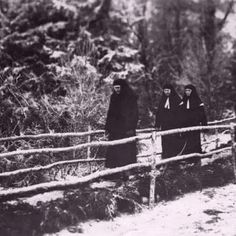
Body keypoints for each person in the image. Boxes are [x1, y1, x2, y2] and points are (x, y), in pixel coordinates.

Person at [105, 78, 138, 168]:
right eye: (115, 88)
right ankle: (114, 172)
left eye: (118, 87)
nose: (117, 90)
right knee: (115, 149)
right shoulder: (114, 97)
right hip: (115, 130)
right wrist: (108, 127)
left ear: (123, 87)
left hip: (127, 129)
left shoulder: (130, 97)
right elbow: (110, 112)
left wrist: (131, 127)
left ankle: (127, 171)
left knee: (126, 151)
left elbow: (134, 114)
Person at [155, 84, 182, 159]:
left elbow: (180, 113)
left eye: (168, 90)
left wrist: (180, 123)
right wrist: (157, 124)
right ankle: (166, 158)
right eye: (165, 90)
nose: (166, 92)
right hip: (165, 125)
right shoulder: (162, 100)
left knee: (174, 141)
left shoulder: (177, 99)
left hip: (174, 125)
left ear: (171, 90)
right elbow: (159, 113)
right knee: (165, 142)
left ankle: (175, 158)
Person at [179, 84, 207, 157]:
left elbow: (202, 114)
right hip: (185, 125)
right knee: (186, 141)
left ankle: (196, 156)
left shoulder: (198, 101)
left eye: (189, 90)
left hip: (194, 124)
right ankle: (187, 156)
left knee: (195, 140)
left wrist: (204, 125)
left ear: (192, 91)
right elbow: (180, 114)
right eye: (186, 90)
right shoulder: (183, 101)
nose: (187, 92)